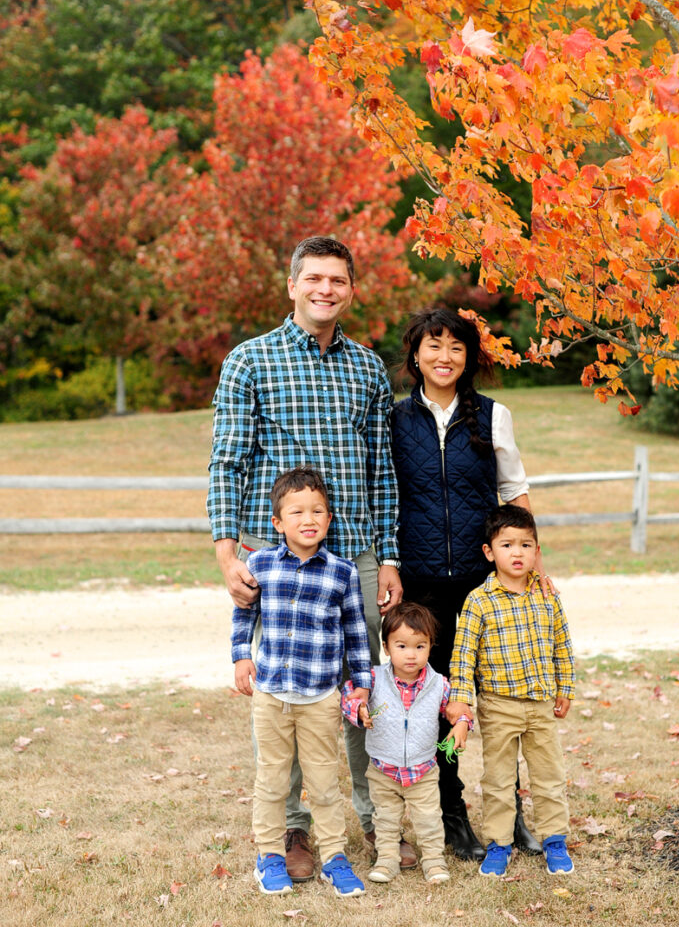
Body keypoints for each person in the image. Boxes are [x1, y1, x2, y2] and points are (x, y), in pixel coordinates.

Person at [208, 235, 409, 881]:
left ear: (352, 289)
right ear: (292, 284)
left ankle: (373, 816)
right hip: (277, 557)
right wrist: (225, 552)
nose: (326, 290)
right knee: (288, 693)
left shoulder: (368, 369)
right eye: (314, 278)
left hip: (353, 551)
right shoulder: (250, 362)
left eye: (338, 280)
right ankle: (293, 830)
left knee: (356, 690)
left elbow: (383, 471)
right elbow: (228, 461)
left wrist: (389, 559)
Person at [390, 307, 549, 860]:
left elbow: (515, 490)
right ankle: (453, 815)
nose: (444, 357)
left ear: (470, 357)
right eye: (433, 346)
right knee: (440, 704)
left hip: (486, 587)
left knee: (503, 703)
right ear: (415, 354)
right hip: (422, 586)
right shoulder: (394, 420)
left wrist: (533, 564)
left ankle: (513, 816)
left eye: (456, 348)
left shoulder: (492, 415)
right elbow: (388, 498)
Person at [232, 467, 371, 896]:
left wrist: (362, 681)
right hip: (272, 694)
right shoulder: (259, 564)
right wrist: (240, 656)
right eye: (296, 512)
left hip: (320, 697)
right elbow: (243, 615)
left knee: (325, 782)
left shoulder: (342, 573)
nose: (308, 519)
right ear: (278, 523)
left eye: (317, 511)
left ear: (329, 519)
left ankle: (333, 857)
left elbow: (356, 633)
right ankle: (270, 856)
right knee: (272, 780)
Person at [447, 506, 575, 878]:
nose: (517, 553)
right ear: (490, 552)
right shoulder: (479, 601)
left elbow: (562, 643)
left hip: (540, 704)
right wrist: (460, 698)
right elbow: (463, 656)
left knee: (548, 775)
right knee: (499, 780)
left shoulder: (547, 595)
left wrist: (564, 687)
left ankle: (554, 840)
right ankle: (499, 844)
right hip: (498, 706)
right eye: (507, 545)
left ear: (537, 550)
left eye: (525, 544)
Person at [342, 602, 470, 884]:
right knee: (385, 819)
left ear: (430, 646)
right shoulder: (374, 679)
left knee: (428, 819)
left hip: (422, 769)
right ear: (386, 647)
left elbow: (459, 709)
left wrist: (462, 724)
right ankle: (387, 859)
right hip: (383, 768)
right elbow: (350, 696)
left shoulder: (439, 684)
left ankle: (434, 861)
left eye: (419, 646)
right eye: (401, 646)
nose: (411, 655)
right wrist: (359, 711)